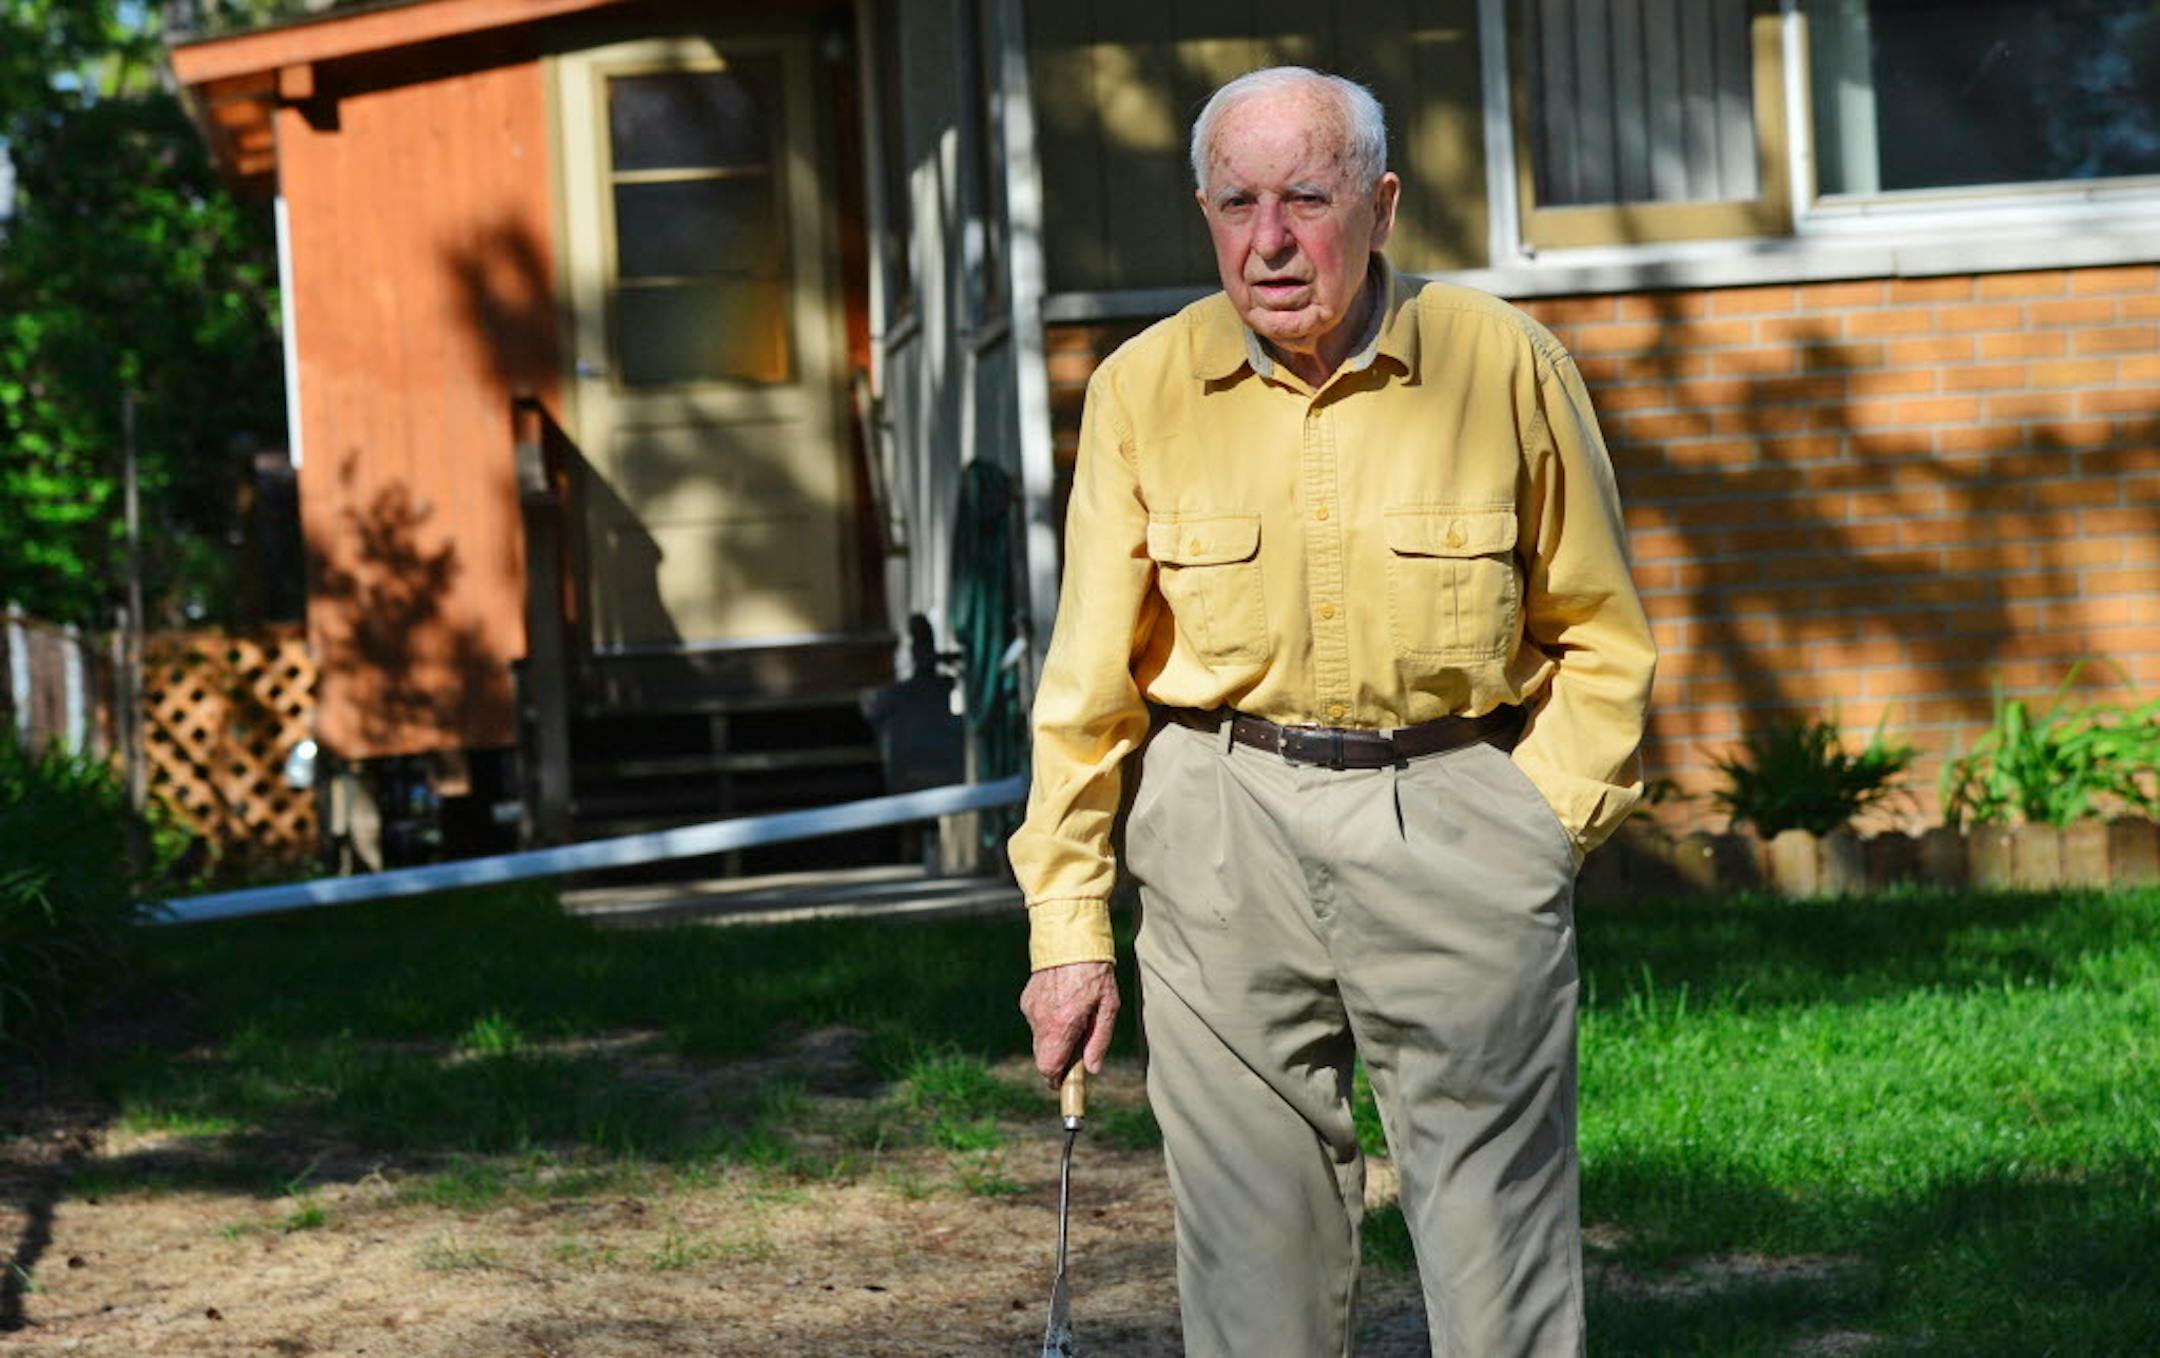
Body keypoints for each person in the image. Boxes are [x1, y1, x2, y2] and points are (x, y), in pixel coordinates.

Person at [1007, 66, 1657, 1356]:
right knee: (1252, 1271)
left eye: (1307, 197)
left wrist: (1537, 832)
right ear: (1203, 211)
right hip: (1217, 826)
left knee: (1500, 1251)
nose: (1270, 241)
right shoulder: (1141, 389)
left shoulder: (1504, 362)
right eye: (1237, 202)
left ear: (1381, 204)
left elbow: (1600, 634)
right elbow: (1086, 688)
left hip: (1454, 814)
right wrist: (1067, 928)